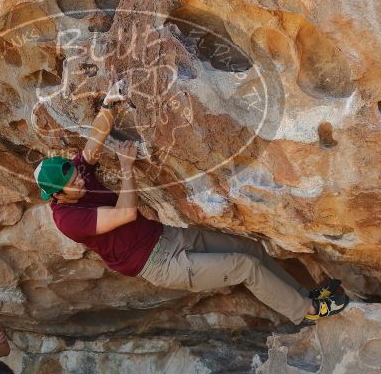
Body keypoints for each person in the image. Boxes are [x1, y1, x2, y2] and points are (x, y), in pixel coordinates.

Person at [34, 81, 349, 324]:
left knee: (250, 249)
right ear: (57, 196)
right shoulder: (68, 219)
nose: (79, 179)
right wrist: (127, 169)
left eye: (75, 174)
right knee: (246, 267)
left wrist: (109, 105)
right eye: (72, 183)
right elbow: (126, 213)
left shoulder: (75, 175)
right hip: (158, 264)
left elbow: (92, 145)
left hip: (167, 237)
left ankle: (302, 294)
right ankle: (306, 311)